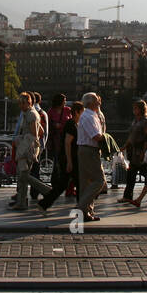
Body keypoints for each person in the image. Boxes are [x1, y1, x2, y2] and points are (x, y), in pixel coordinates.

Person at [9, 93, 51, 210]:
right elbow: (41, 131)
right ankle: (21, 202)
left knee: (23, 175)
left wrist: (21, 142)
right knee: (23, 175)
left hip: (26, 148)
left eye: (23, 102)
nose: (20, 105)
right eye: (19, 103)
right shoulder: (32, 113)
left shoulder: (30, 114)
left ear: (29, 102)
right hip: (28, 147)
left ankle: (46, 190)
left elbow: (34, 133)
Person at [39, 99, 82, 211]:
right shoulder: (71, 124)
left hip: (70, 158)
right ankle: (82, 206)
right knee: (76, 183)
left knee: (63, 184)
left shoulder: (74, 124)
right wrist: (69, 162)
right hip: (69, 158)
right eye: (82, 112)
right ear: (77, 112)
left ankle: (45, 203)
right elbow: (68, 143)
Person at [76, 92, 106, 222]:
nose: (99, 102)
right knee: (99, 181)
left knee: (86, 183)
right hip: (89, 151)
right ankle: (81, 206)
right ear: (90, 103)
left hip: (86, 150)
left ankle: (86, 212)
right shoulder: (88, 116)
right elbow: (96, 136)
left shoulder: (91, 115)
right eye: (96, 101)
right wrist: (107, 139)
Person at [119, 100, 147, 202]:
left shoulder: (146, 121)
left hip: (139, 151)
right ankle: (127, 196)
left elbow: (146, 138)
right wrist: (124, 147)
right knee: (132, 174)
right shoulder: (135, 121)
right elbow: (131, 136)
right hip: (132, 151)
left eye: (136, 108)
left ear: (141, 109)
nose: (134, 110)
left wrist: (143, 152)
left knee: (143, 172)